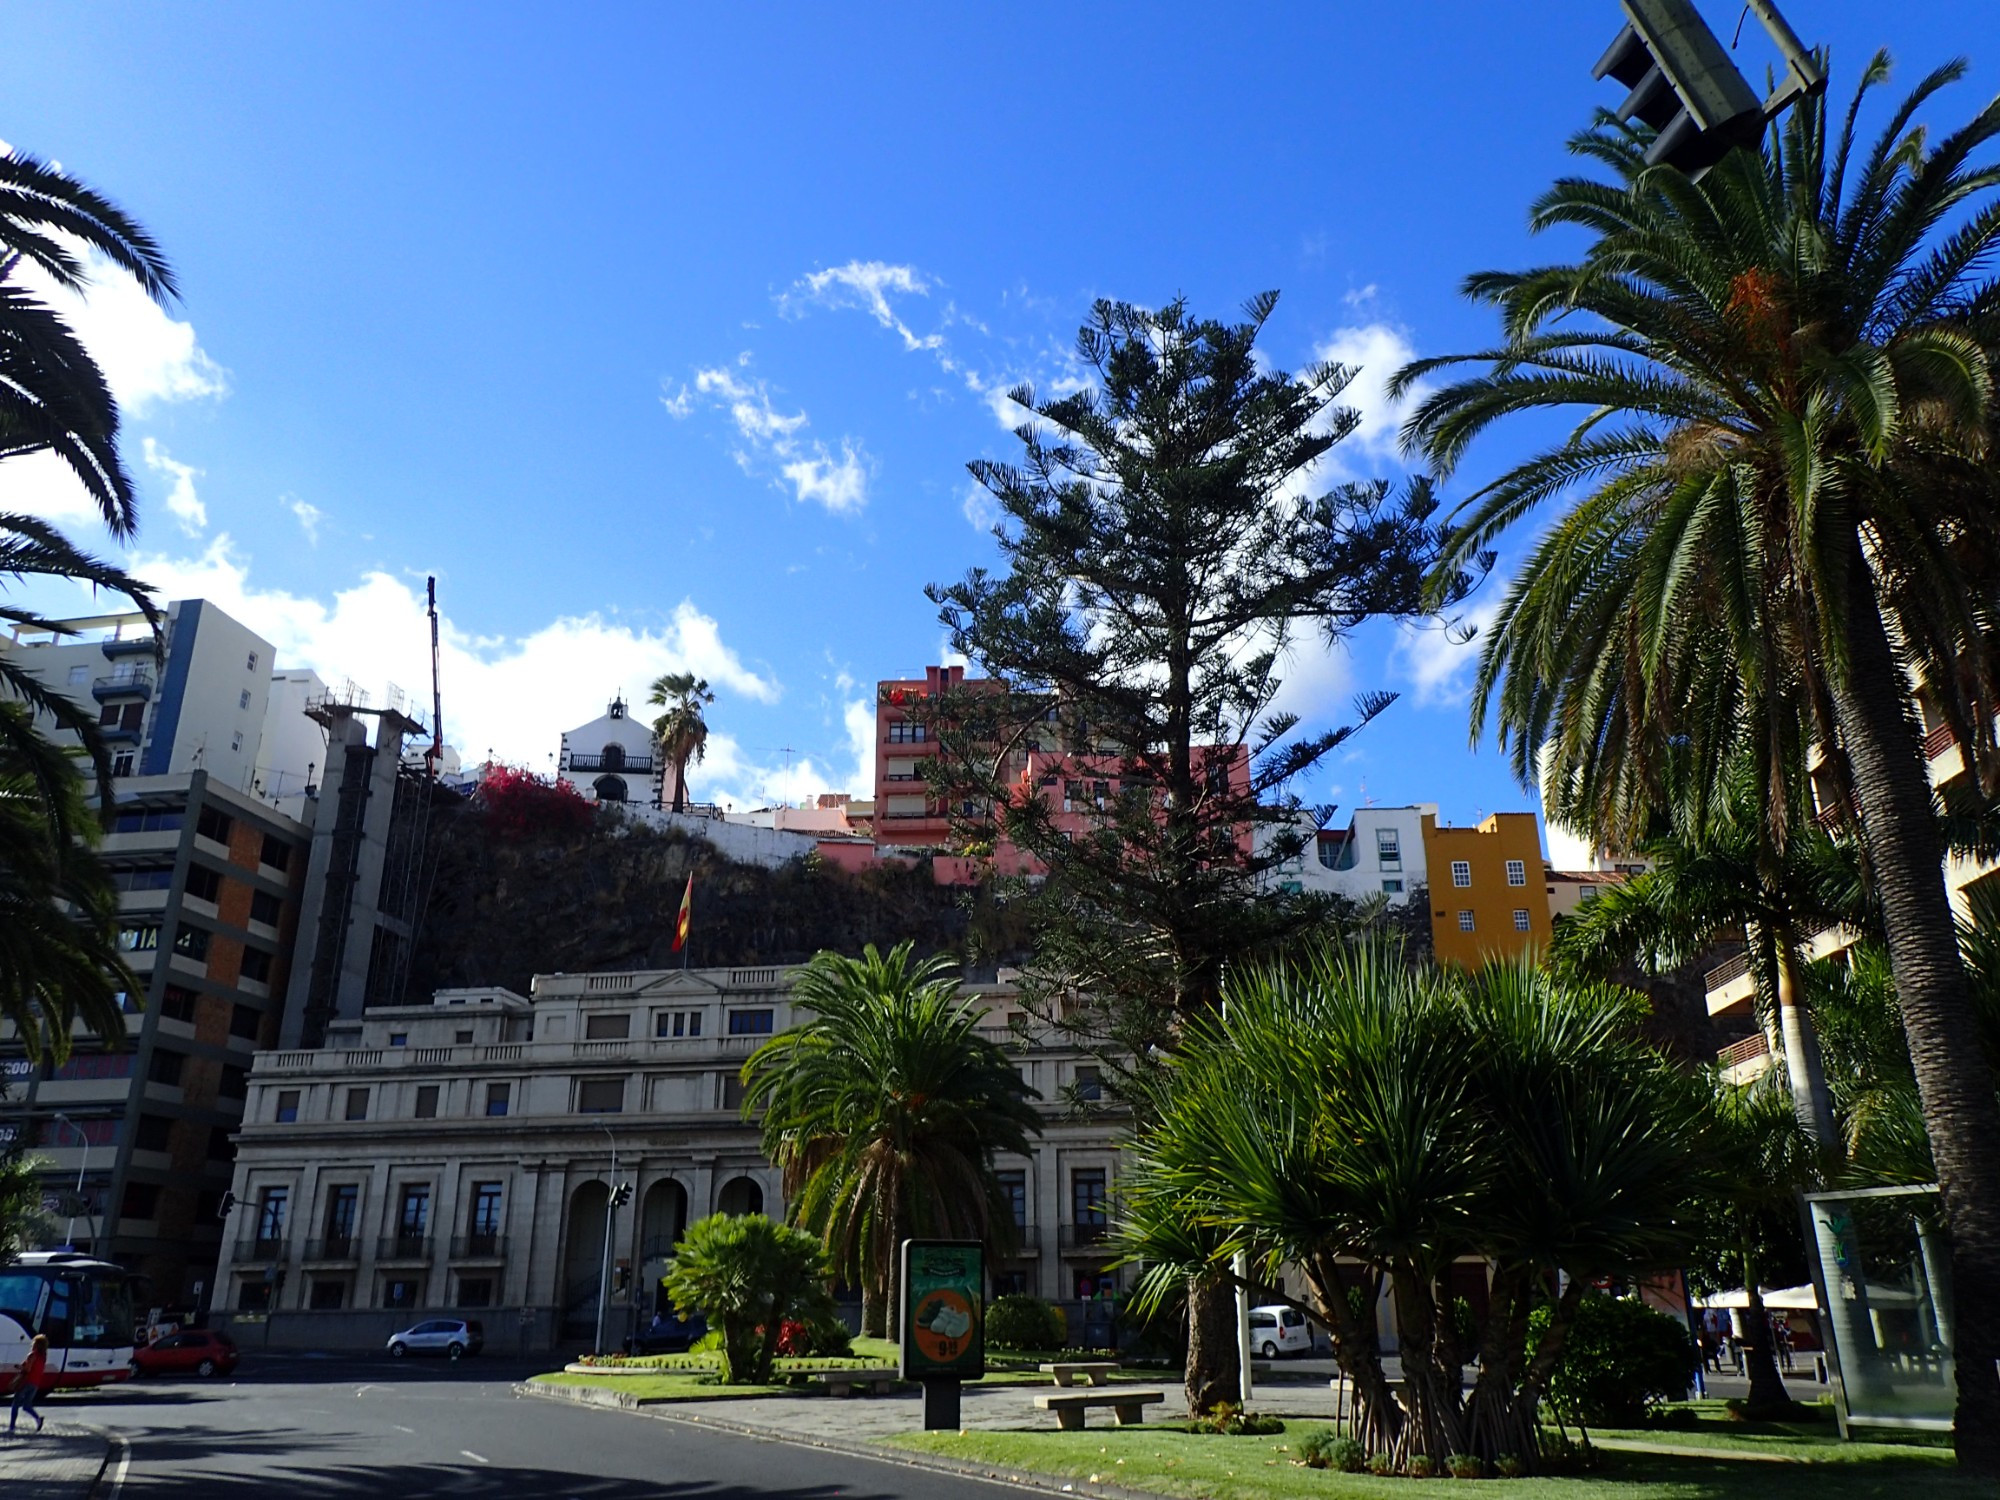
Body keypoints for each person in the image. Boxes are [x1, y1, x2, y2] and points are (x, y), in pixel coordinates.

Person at [9, 1334, 48, 1435]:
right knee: (26, 1405)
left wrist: (19, 1368)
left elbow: (27, 1369)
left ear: (37, 1344)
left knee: (15, 1403)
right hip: (35, 1383)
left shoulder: (32, 1355)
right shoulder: (43, 1357)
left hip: (26, 1381)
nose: (32, 1344)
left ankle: (12, 1427)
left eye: (34, 1342)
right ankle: (38, 1419)